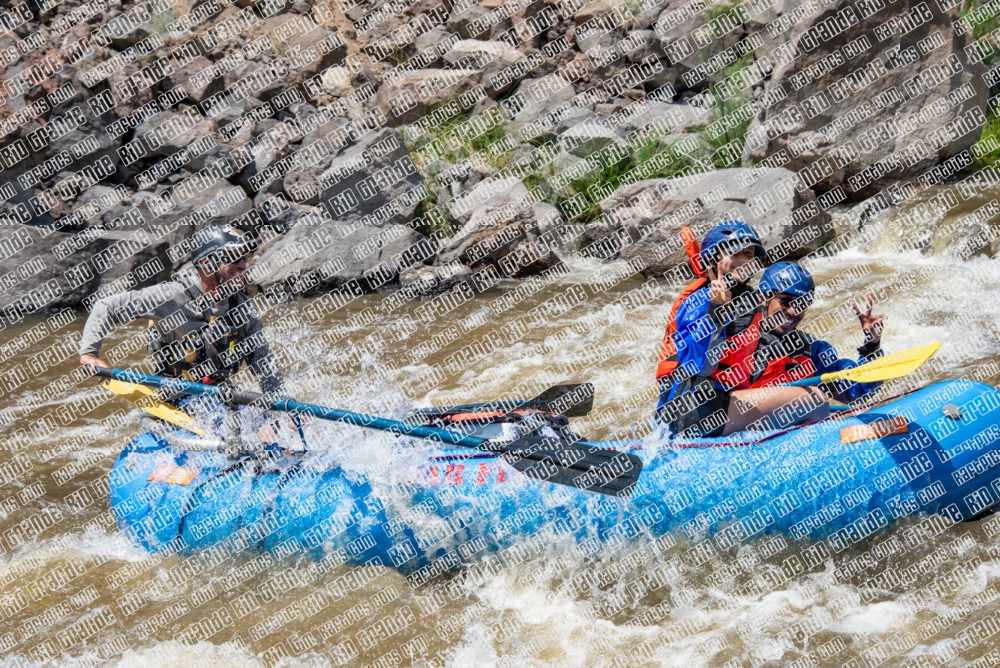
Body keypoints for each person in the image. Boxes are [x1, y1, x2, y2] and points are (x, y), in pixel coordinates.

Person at [655, 222, 827, 438]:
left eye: (748, 254)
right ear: (715, 257)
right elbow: (699, 365)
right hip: (694, 409)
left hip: (711, 406)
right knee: (815, 401)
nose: (744, 261)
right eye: (734, 253)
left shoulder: (746, 300)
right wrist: (716, 310)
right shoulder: (700, 300)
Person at [79, 226, 285, 400]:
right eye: (234, 258)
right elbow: (106, 307)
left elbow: (266, 368)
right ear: (207, 263)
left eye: (244, 258)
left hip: (220, 398)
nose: (243, 265)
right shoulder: (170, 297)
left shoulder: (244, 310)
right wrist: (89, 355)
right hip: (175, 400)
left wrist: (277, 420)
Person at [749, 261, 885, 403]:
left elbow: (856, 391)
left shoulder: (811, 349)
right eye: (785, 301)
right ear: (763, 298)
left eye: (801, 305)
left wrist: (871, 346)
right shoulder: (741, 343)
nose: (793, 311)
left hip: (800, 424)